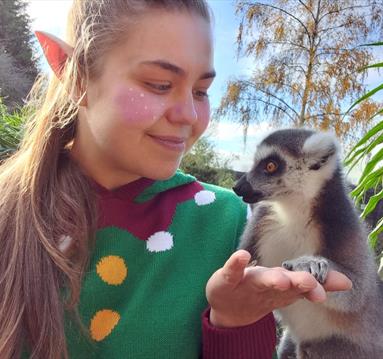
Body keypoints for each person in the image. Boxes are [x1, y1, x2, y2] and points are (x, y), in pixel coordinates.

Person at [0, 1, 352, 358]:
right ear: (72, 71)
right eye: (159, 84)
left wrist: (234, 319)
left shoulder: (221, 221)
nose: (189, 115)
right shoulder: (10, 212)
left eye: (201, 91)